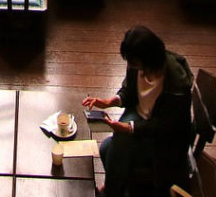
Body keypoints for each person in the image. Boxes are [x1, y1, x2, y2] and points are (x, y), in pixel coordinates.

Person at [83, 25, 194, 196]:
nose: (131, 66)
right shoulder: (137, 65)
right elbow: (129, 91)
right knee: (106, 148)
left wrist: (130, 128)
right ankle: (115, 189)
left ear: (149, 59)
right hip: (142, 116)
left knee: (112, 146)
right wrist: (110, 102)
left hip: (165, 140)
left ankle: (110, 192)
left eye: (134, 62)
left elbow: (165, 126)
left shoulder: (176, 86)